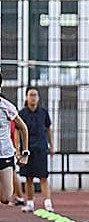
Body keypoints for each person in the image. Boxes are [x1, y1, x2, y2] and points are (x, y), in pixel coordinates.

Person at [18, 87, 55, 212]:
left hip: (41, 148)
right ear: (26, 97)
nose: (33, 97)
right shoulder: (22, 113)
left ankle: (48, 203)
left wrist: (51, 145)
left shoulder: (43, 112)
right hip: (27, 149)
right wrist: (18, 149)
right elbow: (18, 132)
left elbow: (48, 129)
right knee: (28, 177)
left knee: (43, 176)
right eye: (31, 95)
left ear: (38, 97)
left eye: (35, 95)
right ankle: (30, 203)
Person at [0, 74, 30, 205]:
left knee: (6, 198)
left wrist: (25, 153)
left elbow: (23, 128)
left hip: (4, 154)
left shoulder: (6, 106)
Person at [9, 120, 25, 207]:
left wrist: (17, 151)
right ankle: (19, 196)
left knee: (12, 174)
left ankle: (19, 196)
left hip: (8, 151)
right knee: (12, 174)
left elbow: (16, 137)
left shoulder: (10, 121)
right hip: (9, 150)